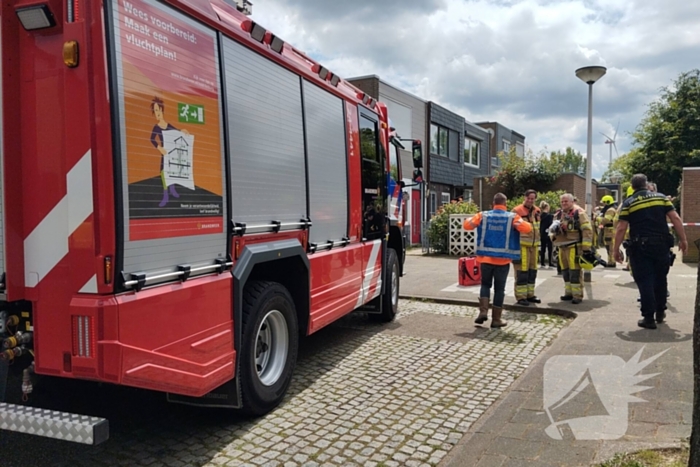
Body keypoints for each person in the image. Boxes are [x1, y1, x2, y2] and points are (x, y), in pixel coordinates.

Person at [614, 175, 687, 329]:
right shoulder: (661, 198)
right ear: (646, 184)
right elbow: (675, 218)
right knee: (661, 279)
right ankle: (660, 312)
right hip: (662, 246)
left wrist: (616, 249)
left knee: (645, 281)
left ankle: (648, 318)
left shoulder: (629, 202)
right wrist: (683, 239)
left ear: (632, 187)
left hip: (640, 248)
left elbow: (621, 227)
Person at [463, 193, 532, 328]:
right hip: (503, 261)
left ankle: (483, 312)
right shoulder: (512, 217)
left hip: (485, 259)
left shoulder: (483, 215)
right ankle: (496, 319)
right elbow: (527, 228)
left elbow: (467, 225)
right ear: (505, 204)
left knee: (485, 285)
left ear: (493, 203)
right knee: (499, 290)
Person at [549, 193, 593, 304]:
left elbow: (587, 230)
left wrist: (586, 248)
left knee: (575, 272)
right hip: (562, 248)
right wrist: (554, 235)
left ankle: (577, 295)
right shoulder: (558, 215)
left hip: (574, 247)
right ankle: (568, 293)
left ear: (572, 202)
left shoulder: (579, 213)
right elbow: (551, 231)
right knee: (565, 271)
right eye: (562, 201)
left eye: (566, 201)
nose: (564, 203)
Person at [511, 190, 541, 305]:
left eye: (532, 199)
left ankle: (530, 294)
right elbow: (512, 230)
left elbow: (538, 228)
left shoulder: (537, 211)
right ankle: (521, 297)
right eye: (528, 198)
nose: (530, 200)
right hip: (521, 246)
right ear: (524, 197)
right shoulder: (516, 211)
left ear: (535, 199)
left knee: (532, 271)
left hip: (534, 246)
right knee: (521, 272)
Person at [597, 195, 618, 267]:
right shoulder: (611, 208)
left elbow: (606, 220)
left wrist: (598, 218)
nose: (603, 204)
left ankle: (611, 262)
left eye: (604, 203)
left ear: (608, 202)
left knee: (610, 247)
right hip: (609, 230)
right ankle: (611, 261)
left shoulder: (610, 210)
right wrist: (599, 208)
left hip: (610, 231)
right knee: (609, 246)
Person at [539, 201, 554, 267]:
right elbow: (551, 224)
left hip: (542, 233)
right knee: (550, 248)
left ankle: (542, 262)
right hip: (548, 233)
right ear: (547, 207)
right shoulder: (549, 216)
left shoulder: (540, 215)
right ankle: (550, 262)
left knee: (543, 248)